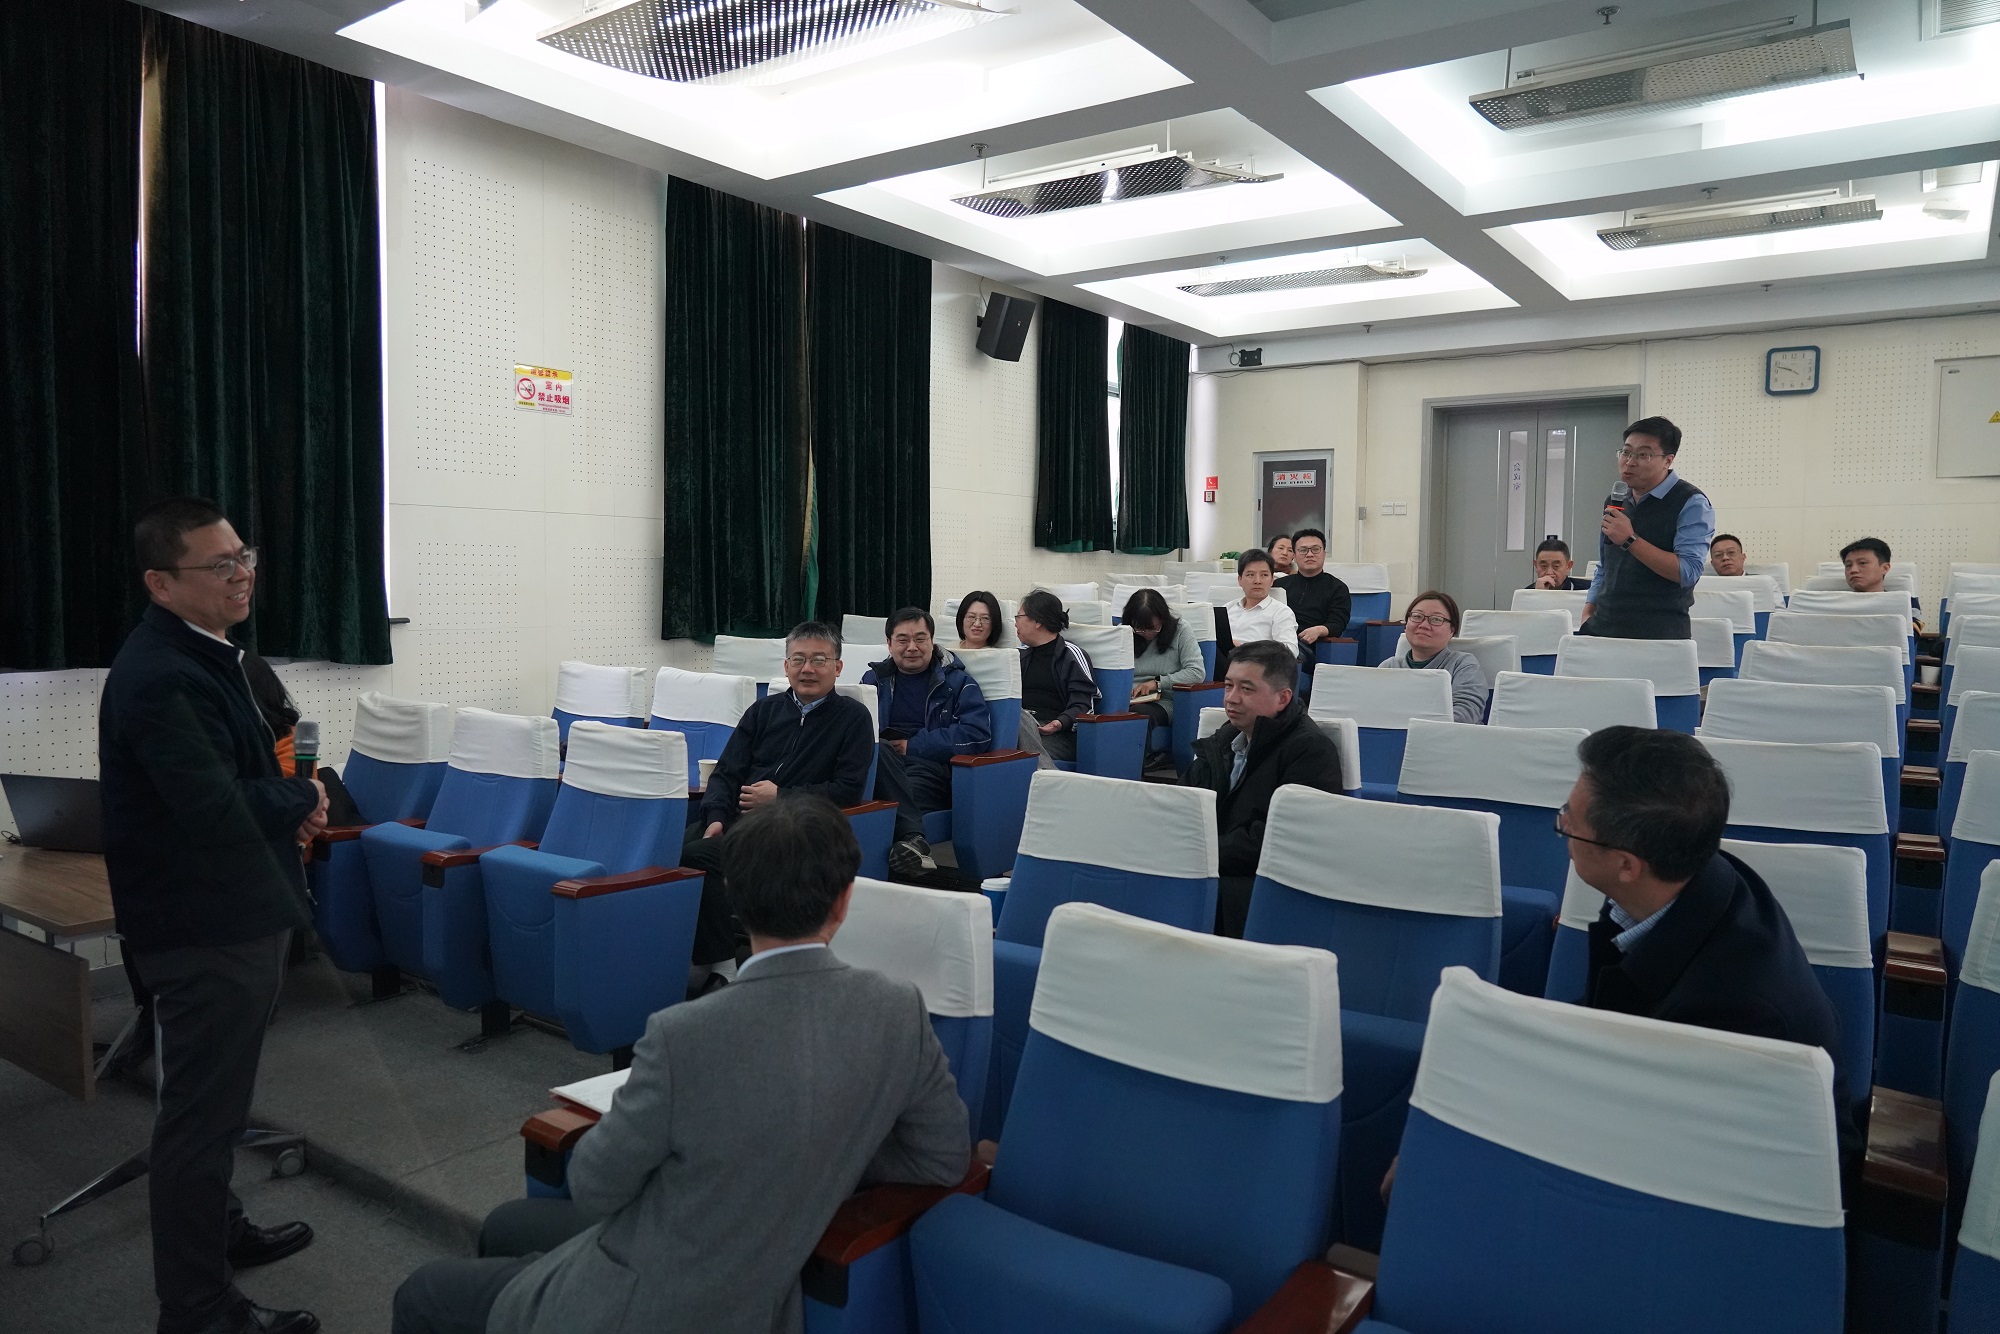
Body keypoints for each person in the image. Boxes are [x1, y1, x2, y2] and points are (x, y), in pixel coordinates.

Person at [390, 796, 970, 1334]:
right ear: (844, 900)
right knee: (506, 1226)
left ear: (733, 899)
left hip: (657, 1297)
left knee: (425, 1291)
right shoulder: (899, 1011)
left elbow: (593, 1187)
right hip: (757, 1285)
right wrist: (833, 1145)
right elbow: (941, 1158)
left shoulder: (683, 1034)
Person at [99, 497, 327, 1334]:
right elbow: (215, 809)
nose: (242, 575)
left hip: (232, 914)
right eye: (219, 565)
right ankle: (196, 1308)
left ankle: (219, 1230)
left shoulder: (207, 652)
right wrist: (302, 797)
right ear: (161, 583)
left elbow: (236, 781)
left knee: (215, 1104)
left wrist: (287, 802)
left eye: (244, 557)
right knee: (199, 1121)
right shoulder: (163, 674)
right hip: (208, 930)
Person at [1558, 726, 1854, 1165]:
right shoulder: (1688, 879)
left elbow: (1667, 1144)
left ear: (1626, 865)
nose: (1563, 825)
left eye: (1570, 821)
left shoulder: (1738, 1013)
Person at [680, 623, 873, 983]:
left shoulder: (853, 718)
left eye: (819, 660)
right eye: (798, 660)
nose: (807, 669)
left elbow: (847, 790)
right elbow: (726, 772)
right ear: (786, 666)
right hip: (737, 822)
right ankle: (693, 952)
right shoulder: (764, 711)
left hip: (794, 830)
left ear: (838, 667)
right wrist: (716, 816)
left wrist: (780, 797)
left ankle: (722, 965)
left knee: (695, 857)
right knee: (672, 849)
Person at [1185, 640, 1346, 937]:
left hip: (1263, 882)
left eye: (1246, 689)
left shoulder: (1310, 750)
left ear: (1283, 698)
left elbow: (1283, 838)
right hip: (1209, 862)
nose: (1231, 698)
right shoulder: (1224, 739)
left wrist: (1196, 850)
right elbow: (1183, 802)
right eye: (1228, 686)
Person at [862, 608, 992, 880]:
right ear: (889, 644)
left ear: (932, 641)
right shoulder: (872, 681)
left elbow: (976, 734)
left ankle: (897, 859)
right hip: (879, 764)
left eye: (920, 639)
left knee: (903, 790)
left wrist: (913, 746)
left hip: (930, 767)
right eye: (902, 640)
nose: (912, 647)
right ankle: (912, 844)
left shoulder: (958, 683)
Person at [1581, 416, 1714, 640]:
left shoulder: (1691, 502)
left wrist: (1630, 540)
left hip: (1658, 633)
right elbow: (1605, 565)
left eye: (1643, 455)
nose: (1630, 462)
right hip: (1602, 627)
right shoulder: (1616, 500)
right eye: (1626, 452)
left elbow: (1688, 572)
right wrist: (1589, 608)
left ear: (1668, 460)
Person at [1013, 590, 1097, 767]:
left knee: (1018, 748)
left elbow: (1084, 705)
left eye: (1019, 617)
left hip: (1059, 735)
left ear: (1037, 621)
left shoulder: (1071, 655)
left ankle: (1046, 774)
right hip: (1023, 726)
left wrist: (1059, 723)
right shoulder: (1017, 656)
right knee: (1017, 719)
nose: (1015, 623)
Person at [1381, 590, 1488, 725]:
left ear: (1452, 630)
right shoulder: (1389, 667)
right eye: (1417, 616)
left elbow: (1466, 714)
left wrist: (1412, 727)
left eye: (1436, 619)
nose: (1424, 625)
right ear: (1406, 625)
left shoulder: (1463, 665)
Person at [1124, 588, 1206, 730]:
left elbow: (1196, 672)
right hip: (1127, 698)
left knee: (1137, 716)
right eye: (1140, 629)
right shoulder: (1124, 631)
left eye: (1152, 628)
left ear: (1163, 618)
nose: (1146, 634)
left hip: (1163, 701)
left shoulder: (1181, 630)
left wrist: (1158, 683)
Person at [1278, 529, 1352, 660]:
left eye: (1315, 549)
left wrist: (1319, 630)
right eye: (1303, 550)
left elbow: (1338, 624)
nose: (1309, 554)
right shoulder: (1279, 585)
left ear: (1324, 554)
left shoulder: (1337, 588)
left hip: (1307, 646)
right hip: (1275, 640)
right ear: (1294, 555)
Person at [1220, 548, 1299, 668]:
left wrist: (1245, 649)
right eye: (1250, 575)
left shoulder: (1281, 612)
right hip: (1222, 664)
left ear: (1272, 580)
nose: (1257, 581)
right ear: (1240, 580)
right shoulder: (1227, 608)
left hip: (1258, 669)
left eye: (1264, 575)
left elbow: (1290, 651)